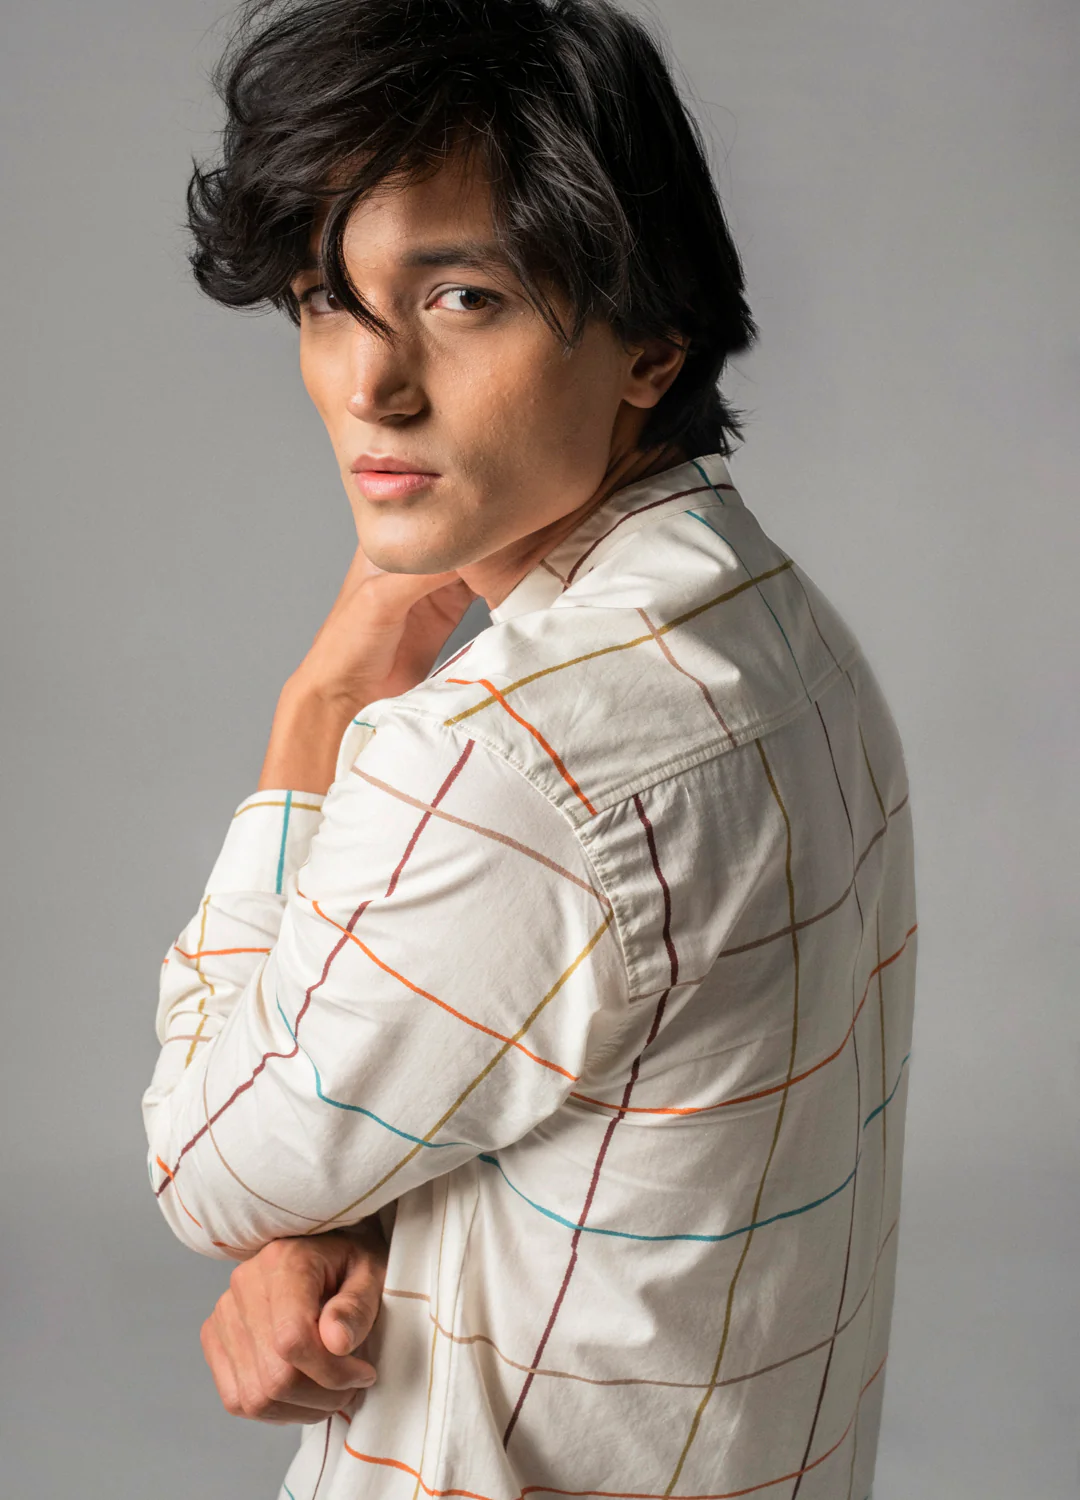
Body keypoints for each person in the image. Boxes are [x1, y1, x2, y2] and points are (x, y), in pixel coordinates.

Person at [142, 1, 918, 1496]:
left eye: (462, 299)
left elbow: (205, 1159)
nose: (370, 386)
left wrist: (321, 706)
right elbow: (562, 1086)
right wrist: (336, 1210)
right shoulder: (783, 633)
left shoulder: (510, 759)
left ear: (651, 347)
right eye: (324, 300)